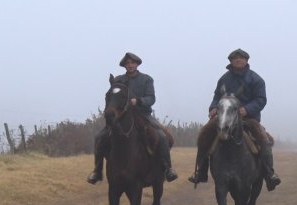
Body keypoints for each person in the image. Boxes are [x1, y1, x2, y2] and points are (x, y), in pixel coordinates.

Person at [188, 48, 281, 191]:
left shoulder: (256, 79)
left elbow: (261, 100)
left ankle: (269, 174)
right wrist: (213, 107)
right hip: (225, 116)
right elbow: (216, 97)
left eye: (241, 58)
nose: (238, 60)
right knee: (204, 134)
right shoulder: (224, 79)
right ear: (231, 61)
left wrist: (247, 109)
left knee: (263, 139)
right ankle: (201, 171)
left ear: (246, 61)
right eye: (235, 58)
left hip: (249, 119)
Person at [87, 52, 178, 184]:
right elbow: (113, 97)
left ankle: (168, 168)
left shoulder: (146, 79)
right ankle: (97, 170)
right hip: (122, 116)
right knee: (100, 137)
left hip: (143, 114)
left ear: (137, 64)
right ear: (125, 65)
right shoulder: (118, 80)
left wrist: (138, 101)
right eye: (127, 63)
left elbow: (151, 98)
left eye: (132, 63)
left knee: (162, 136)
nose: (130, 65)